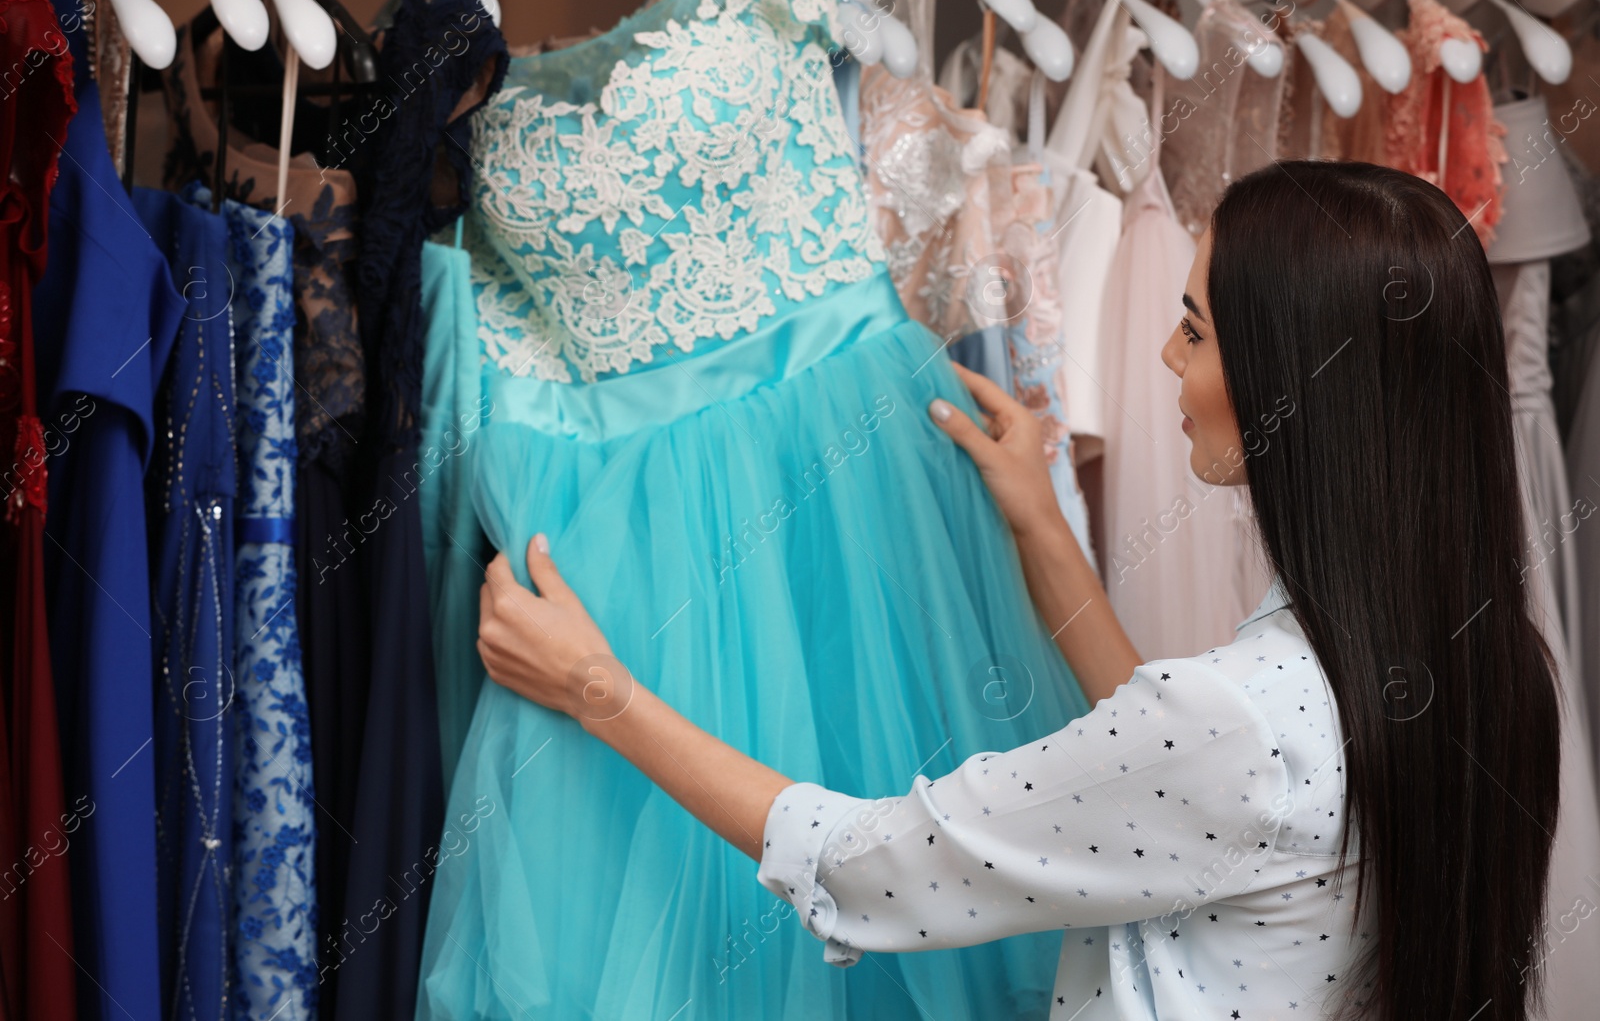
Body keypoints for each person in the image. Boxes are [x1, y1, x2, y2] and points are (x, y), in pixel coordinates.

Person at [472, 161, 1561, 1020]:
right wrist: (1042, 523)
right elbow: (1182, 782)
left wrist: (598, 688)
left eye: (1194, 328)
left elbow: (873, 865)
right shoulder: (1484, 661)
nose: (1164, 355)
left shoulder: (1241, 722)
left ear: (1291, 383)